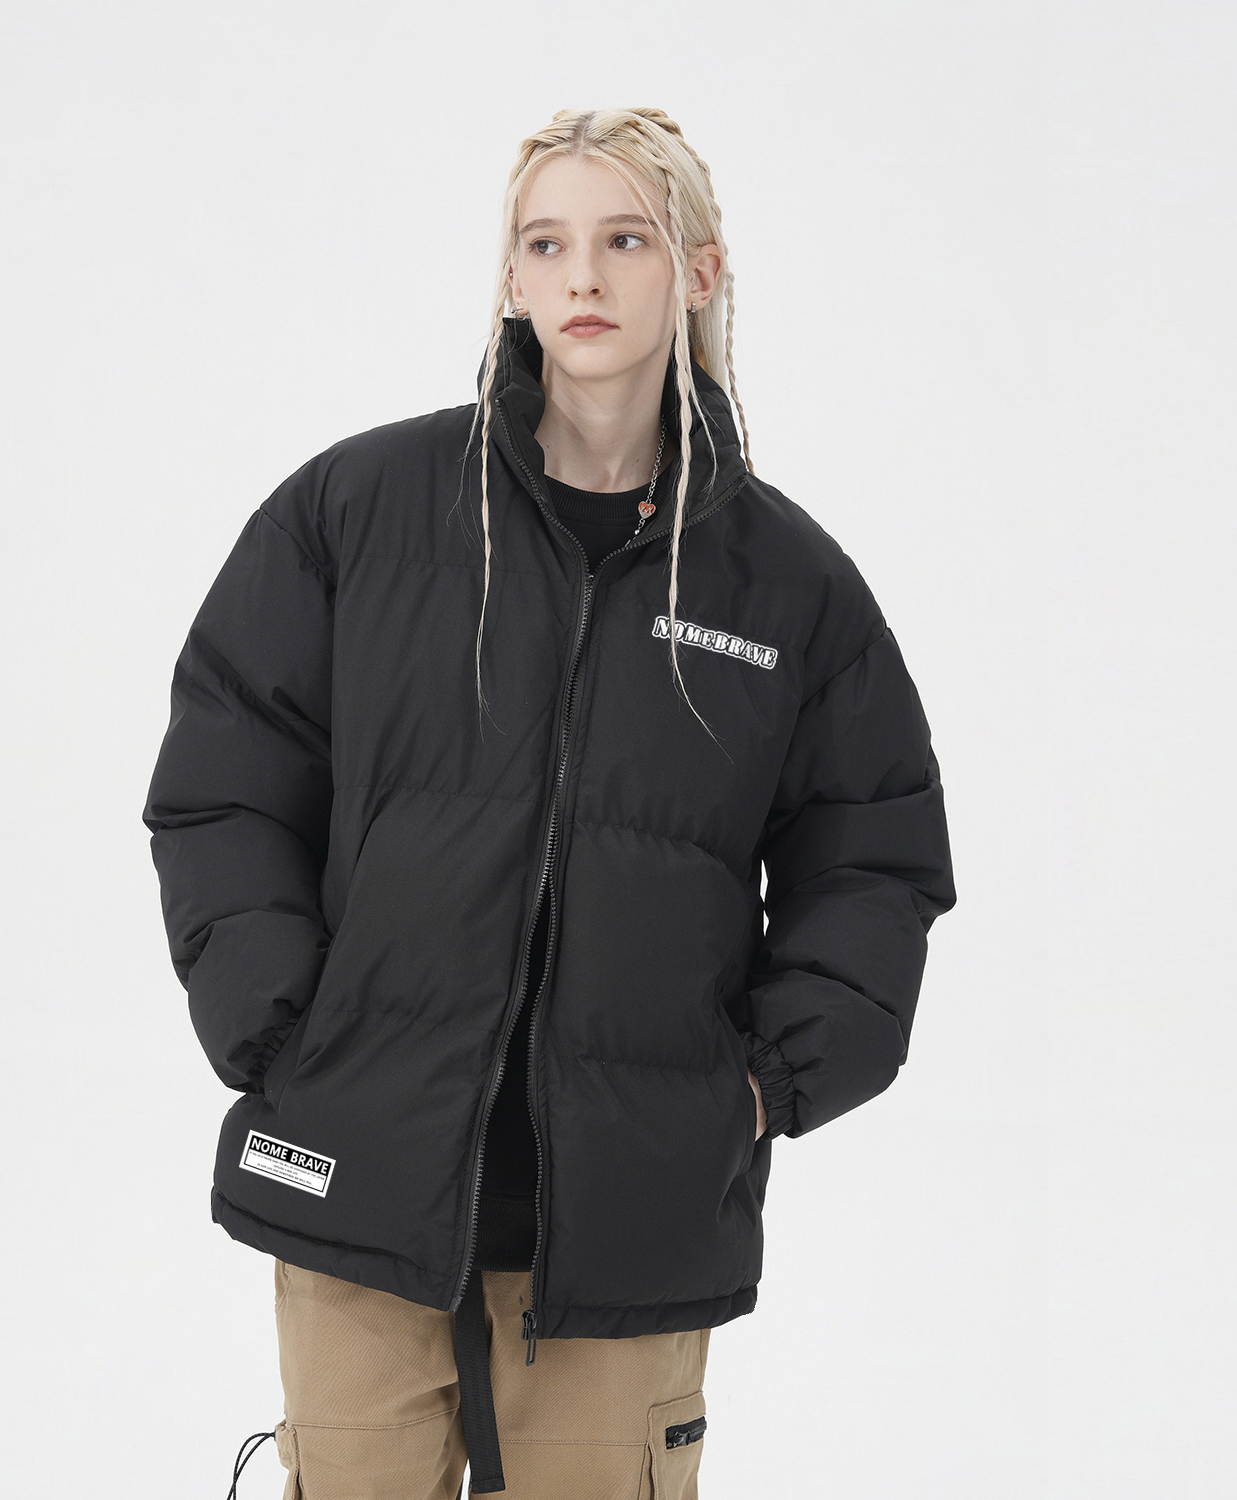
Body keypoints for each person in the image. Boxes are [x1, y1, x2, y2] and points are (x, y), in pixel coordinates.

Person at [142, 106, 957, 1500]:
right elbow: (227, 781)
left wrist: (761, 1086)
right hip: (362, 1182)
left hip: (629, 1230)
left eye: (626, 239)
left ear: (697, 272)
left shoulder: (786, 586)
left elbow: (873, 860)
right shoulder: (360, 511)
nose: (583, 276)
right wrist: (283, 1029)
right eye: (546, 243)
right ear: (512, 279)